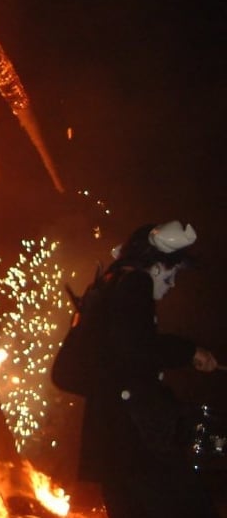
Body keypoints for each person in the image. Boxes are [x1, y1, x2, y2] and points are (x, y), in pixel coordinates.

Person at [73, 220, 220, 518]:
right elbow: (137, 349)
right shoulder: (135, 285)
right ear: (155, 267)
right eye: (172, 273)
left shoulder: (109, 287)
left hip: (110, 445)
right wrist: (189, 351)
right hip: (136, 443)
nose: (172, 284)